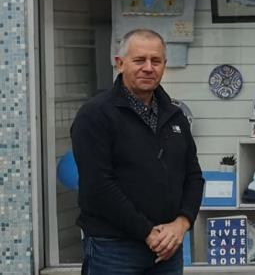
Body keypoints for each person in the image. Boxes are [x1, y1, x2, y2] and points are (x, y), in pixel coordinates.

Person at [71, 29, 204, 274]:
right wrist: (147, 232)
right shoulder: (95, 115)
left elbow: (193, 177)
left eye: (155, 61)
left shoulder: (175, 115)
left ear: (165, 65)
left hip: (168, 249)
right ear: (120, 64)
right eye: (139, 60)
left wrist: (181, 223)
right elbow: (98, 186)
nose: (148, 67)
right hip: (113, 249)